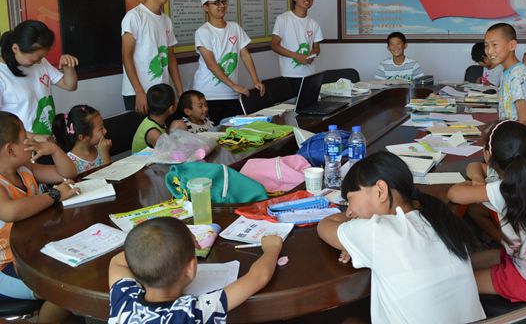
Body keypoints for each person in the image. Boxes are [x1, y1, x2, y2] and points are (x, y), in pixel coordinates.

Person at [317, 151, 485, 324]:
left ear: (380, 191)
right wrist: (354, 240)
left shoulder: (378, 231)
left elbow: (325, 225)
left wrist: (353, 236)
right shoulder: (440, 221)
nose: (349, 212)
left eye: (350, 200)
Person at [448, 121, 526, 303]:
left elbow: (454, 194)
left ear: (487, 155)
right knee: (463, 262)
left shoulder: (506, 189)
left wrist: (477, 184)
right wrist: (477, 179)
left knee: (455, 283)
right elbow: (474, 167)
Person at [108, 217, 283, 324]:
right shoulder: (193, 312)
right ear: (191, 268)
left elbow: (117, 261)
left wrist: (151, 249)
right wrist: (272, 249)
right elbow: (259, 277)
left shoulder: (123, 299)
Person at [0, 111, 79, 322]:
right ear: (10, 150)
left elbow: (66, 173)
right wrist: (54, 195)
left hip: (34, 252)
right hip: (6, 266)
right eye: (25, 138)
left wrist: (53, 149)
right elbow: (10, 211)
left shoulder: (26, 169)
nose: (32, 141)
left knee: (76, 271)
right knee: (66, 290)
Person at [192, 0, 265, 122]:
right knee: (216, 132)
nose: (221, 6)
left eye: (223, 1)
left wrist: (256, 80)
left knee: (237, 129)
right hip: (209, 95)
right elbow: (211, 64)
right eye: (216, 3)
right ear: (206, 7)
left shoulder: (235, 27)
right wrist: (234, 86)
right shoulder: (203, 32)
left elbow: (245, 55)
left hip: (231, 94)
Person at [121, 0, 183, 114]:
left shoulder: (166, 20)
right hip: (139, 93)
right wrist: (139, 91)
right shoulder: (134, 16)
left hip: (162, 91)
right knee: (144, 129)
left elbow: (171, 57)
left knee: (165, 129)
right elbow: (126, 56)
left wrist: (180, 92)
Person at [0, 20, 78, 137]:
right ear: (15, 48)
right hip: (25, 143)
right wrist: (35, 137)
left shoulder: (41, 62)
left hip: (49, 137)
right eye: (35, 59)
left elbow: (70, 85)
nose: (40, 62)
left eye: (42, 57)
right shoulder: (2, 75)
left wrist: (68, 67)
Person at [484, 23, 526, 148]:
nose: (489, 51)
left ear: (512, 45)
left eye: (494, 45)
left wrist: (501, 137)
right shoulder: (508, 71)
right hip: (514, 139)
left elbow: (524, 120)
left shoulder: (518, 75)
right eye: (486, 45)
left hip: (519, 145)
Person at [271, 0, 323, 92]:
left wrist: (312, 55)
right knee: (292, 102)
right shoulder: (283, 19)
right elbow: (275, 46)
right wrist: (297, 56)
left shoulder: (314, 24)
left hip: (310, 74)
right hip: (290, 74)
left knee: (309, 101)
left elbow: (317, 48)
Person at [52, 104, 112, 173]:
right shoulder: (69, 162)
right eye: (101, 128)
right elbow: (109, 175)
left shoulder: (100, 147)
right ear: (83, 137)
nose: (105, 131)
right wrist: (105, 155)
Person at [131, 84, 176, 153]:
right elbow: (168, 155)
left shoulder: (154, 120)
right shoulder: (153, 133)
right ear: (171, 109)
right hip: (144, 160)